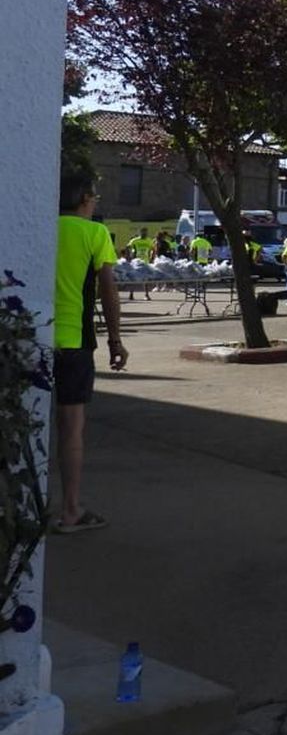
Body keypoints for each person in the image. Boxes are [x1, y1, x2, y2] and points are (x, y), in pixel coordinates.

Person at [53, 171, 127, 533]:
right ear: (84, 198)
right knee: (71, 427)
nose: (96, 201)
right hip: (74, 340)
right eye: (94, 196)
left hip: (29, 336)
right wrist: (115, 339)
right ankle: (71, 510)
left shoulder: (42, 227)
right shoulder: (95, 233)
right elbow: (108, 291)